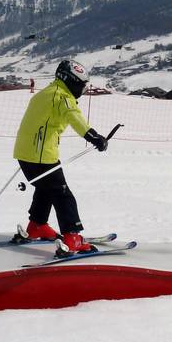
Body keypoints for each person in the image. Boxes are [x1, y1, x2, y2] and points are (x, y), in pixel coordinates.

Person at [13, 59, 108, 253]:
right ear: (70, 81)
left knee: (45, 188)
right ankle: (72, 237)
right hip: (41, 155)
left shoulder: (44, 93)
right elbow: (74, 116)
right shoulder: (62, 96)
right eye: (81, 85)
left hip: (25, 154)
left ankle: (37, 225)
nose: (82, 90)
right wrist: (94, 137)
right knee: (62, 194)